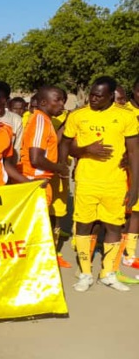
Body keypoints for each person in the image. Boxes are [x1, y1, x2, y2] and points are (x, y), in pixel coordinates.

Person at [60, 76, 139, 292]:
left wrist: (135, 187)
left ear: (111, 96)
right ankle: (85, 273)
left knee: (114, 226)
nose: (93, 99)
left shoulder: (126, 117)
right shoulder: (78, 116)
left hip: (115, 182)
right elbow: (65, 146)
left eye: (98, 96)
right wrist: (85, 151)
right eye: (92, 94)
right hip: (86, 181)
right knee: (84, 225)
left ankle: (108, 273)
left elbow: (133, 152)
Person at [19, 85, 71, 268]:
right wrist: (59, 168)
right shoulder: (40, 121)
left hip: (41, 182)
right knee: (34, 227)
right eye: (57, 100)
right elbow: (36, 158)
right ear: (42, 102)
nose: (62, 104)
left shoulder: (46, 121)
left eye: (62, 100)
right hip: (36, 182)